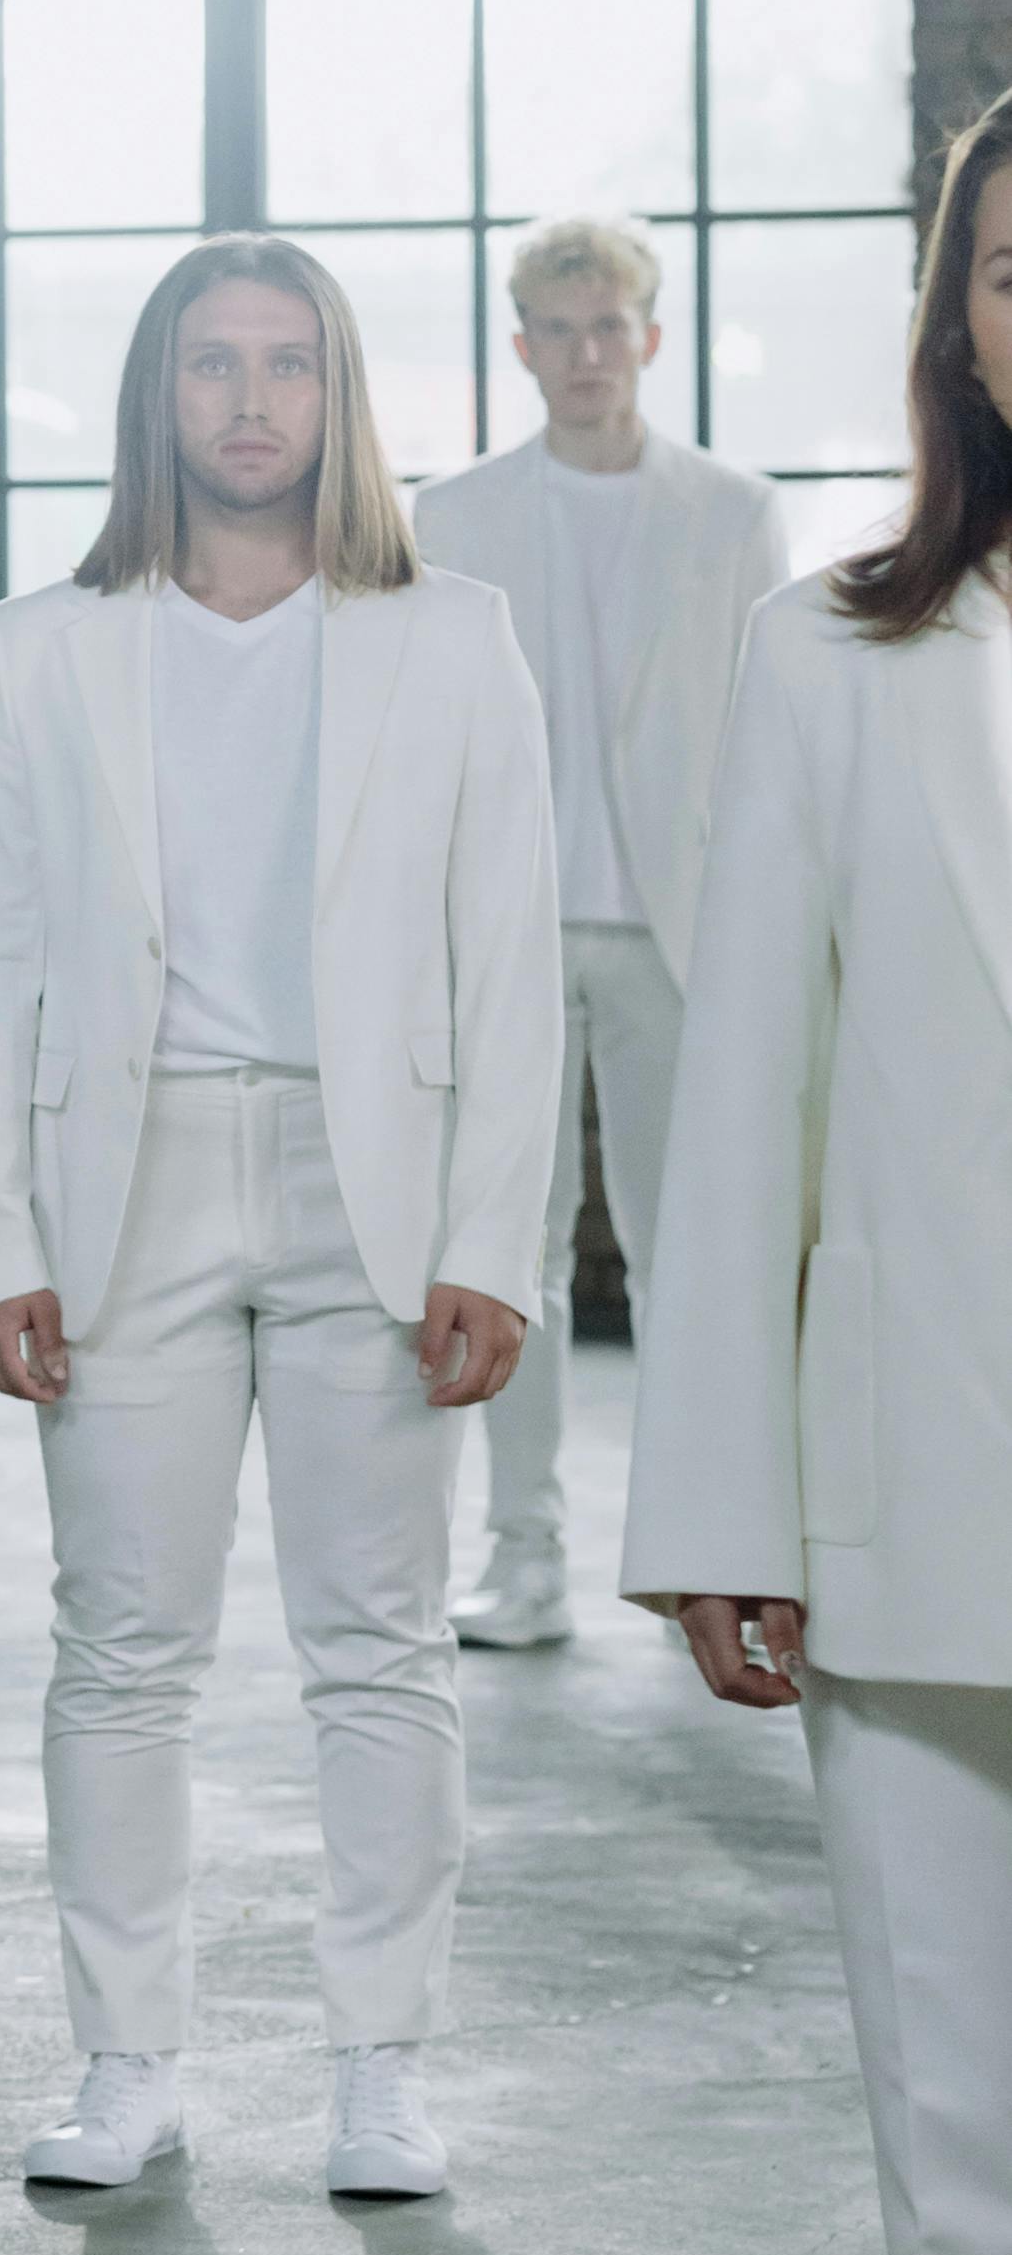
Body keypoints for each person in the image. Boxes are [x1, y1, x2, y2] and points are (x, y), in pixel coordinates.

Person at [0, 236, 558, 2204]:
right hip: (116, 1191)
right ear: (157, 395)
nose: (245, 401)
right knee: (117, 1647)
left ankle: (376, 2064)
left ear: (334, 393)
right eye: (208, 364)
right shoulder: (45, 642)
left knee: (375, 1646)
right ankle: (124, 2057)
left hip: (364, 1185)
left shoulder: (446, 631)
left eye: (283, 364)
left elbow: (507, 956)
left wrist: (491, 1236)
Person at [626, 86, 1012, 2255]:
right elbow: (733, 1102)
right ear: (949, 317)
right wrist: (718, 1514)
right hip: (923, 1522)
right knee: (967, 2183)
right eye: (1010, 267)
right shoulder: (831, 656)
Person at [417, 216, 788, 1647]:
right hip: (503, 931)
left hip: (678, 930)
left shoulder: (733, 509)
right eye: (556, 330)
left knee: (685, 1253)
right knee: (510, 1262)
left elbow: (765, 732)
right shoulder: (451, 515)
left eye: (608, 325)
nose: (584, 353)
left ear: (648, 334)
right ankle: (524, 1559)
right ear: (520, 346)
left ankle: (706, 1549)